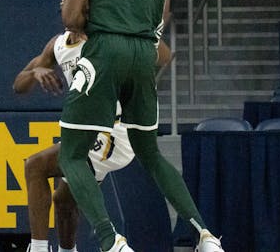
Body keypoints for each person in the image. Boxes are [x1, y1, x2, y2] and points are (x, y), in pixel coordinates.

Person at [59, 0, 224, 252]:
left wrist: (99, 19)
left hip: (105, 49)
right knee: (150, 154)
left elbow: (70, 19)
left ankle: (111, 240)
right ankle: (206, 236)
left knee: (71, 154)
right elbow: (158, 26)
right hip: (144, 53)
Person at [14, 29, 171, 252]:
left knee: (36, 166)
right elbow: (18, 86)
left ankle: (38, 249)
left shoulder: (106, 35)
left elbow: (164, 56)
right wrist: (34, 72)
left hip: (115, 130)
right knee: (64, 200)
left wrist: (140, 28)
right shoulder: (58, 44)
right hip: (88, 131)